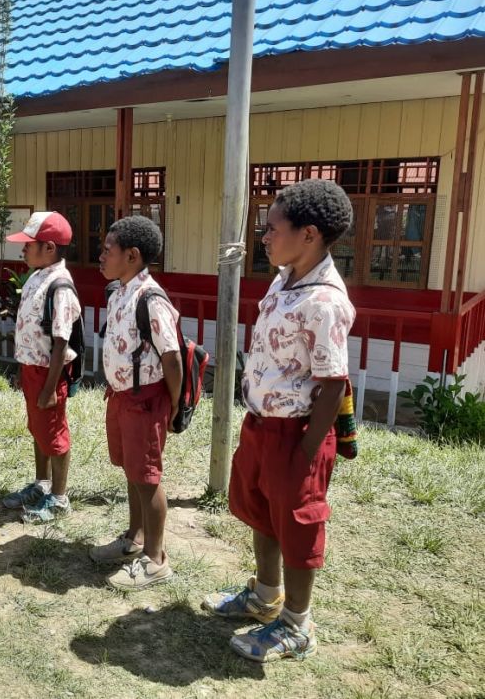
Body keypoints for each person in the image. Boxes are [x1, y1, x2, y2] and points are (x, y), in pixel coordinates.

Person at [201, 179, 355, 662]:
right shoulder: (284, 278)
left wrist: (305, 454)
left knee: (297, 526)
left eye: (272, 228)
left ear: (308, 235)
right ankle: (265, 598)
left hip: (296, 435)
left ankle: (296, 625)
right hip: (262, 425)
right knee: (263, 513)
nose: (263, 237)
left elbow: (333, 384)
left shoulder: (324, 301)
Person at [88, 216, 182, 590]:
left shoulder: (150, 298)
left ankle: (156, 559)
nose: (101, 256)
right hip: (124, 398)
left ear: (132, 255)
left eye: (107, 250)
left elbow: (171, 357)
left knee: (147, 476)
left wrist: (174, 406)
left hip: (146, 401)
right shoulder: (120, 291)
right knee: (131, 470)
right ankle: (134, 538)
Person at [1, 212, 81, 523]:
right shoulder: (38, 274)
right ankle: (41, 484)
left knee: (55, 434)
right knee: (38, 428)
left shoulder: (59, 286)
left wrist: (50, 389)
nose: (23, 250)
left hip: (50, 373)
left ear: (48, 248)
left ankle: (59, 499)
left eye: (28, 245)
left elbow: (61, 342)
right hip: (32, 369)